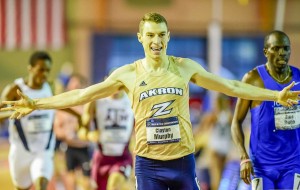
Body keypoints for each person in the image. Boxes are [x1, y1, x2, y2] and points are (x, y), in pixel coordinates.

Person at [1, 14, 300, 190]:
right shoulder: (128, 74)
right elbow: (81, 95)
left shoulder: (184, 67)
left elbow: (233, 86)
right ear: (140, 38)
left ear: (168, 36)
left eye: (161, 35)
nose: (156, 41)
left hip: (182, 162)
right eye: (150, 36)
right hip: (147, 165)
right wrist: (36, 105)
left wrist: (275, 95)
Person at [231, 30, 300, 189]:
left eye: (285, 48)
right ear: (265, 52)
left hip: (293, 163)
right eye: (276, 48)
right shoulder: (253, 79)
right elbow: (236, 122)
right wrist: (244, 157)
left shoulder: (299, 78)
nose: (282, 53)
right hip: (261, 166)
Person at [0, 51, 55, 190]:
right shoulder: (15, 89)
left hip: (44, 149)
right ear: (30, 68)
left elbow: (60, 104)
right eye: (41, 70)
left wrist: (78, 116)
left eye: (48, 71)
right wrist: (14, 112)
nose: (44, 74)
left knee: (41, 184)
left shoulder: (50, 87)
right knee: (21, 187)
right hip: (21, 150)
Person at [79, 89, 134, 190]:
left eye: (120, 85)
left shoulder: (132, 100)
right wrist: (90, 135)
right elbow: (81, 131)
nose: (116, 88)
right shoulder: (95, 101)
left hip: (122, 157)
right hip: (101, 158)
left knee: (114, 185)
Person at [53, 73, 92, 190]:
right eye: (72, 84)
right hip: (69, 148)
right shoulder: (63, 107)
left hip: (84, 148)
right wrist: (65, 135)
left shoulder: (88, 105)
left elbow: (94, 126)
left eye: (77, 84)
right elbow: (57, 129)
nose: (74, 86)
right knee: (70, 179)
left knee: (87, 180)